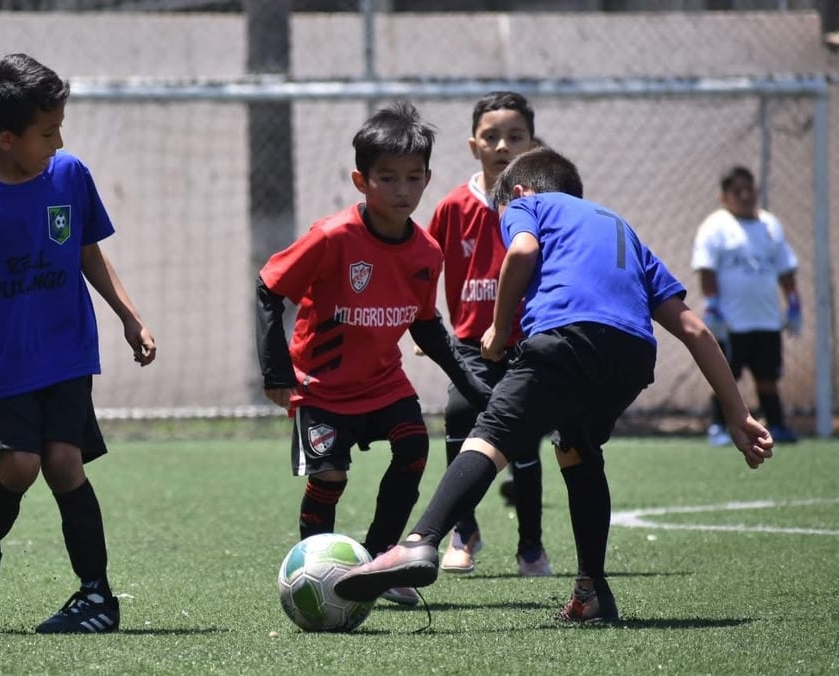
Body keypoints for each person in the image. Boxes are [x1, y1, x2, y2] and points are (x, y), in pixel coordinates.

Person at [334, 147, 774, 623]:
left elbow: (522, 251)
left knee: (492, 433)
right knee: (577, 447)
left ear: (521, 193)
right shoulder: (623, 231)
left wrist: (500, 331)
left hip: (566, 338)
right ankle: (592, 592)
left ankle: (420, 542)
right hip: (631, 357)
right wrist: (738, 413)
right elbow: (695, 329)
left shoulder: (529, 203)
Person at [0, 53, 156, 634]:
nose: (59, 140)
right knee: (20, 465)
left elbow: (87, 251)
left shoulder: (69, 175)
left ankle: (96, 598)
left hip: (68, 348)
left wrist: (129, 316)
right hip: (3, 359)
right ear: (6, 137)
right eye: (47, 132)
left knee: (65, 463)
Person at [256, 100, 491, 608]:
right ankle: (312, 572)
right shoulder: (333, 236)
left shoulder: (427, 252)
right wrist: (276, 369)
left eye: (413, 177)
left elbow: (427, 327)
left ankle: (382, 561)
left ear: (427, 179)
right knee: (330, 478)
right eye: (387, 178)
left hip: (384, 384)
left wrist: (473, 384)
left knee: (413, 448)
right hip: (322, 388)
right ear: (361, 181)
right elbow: (268, 287)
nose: (402, 190)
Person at [425, 91, 550, 577]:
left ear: (531, 143)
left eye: (515, 136)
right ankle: (464, 531)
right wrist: (423, 322)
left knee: (525, 441)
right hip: (470, 341)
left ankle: (531, 548)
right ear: (473, 144)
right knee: (459, 414)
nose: (503, 145)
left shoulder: (541, 205)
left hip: (527, 341)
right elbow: (423, 266)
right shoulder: (454, 206)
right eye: (492, 136)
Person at [691, 165, 801, 446]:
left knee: (768, 378)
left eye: (748, 189)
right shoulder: (715, 226)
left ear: (756, 190)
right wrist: (713, 305)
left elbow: (785, 269)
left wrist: (793, 303)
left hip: (766, 320)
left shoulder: (770, 225)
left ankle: (776, 425)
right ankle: (718, 427)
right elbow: (707, 269)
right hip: (731, 322)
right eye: (736, 191)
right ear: (724, 197)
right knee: (727, 377)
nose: (744, 195)